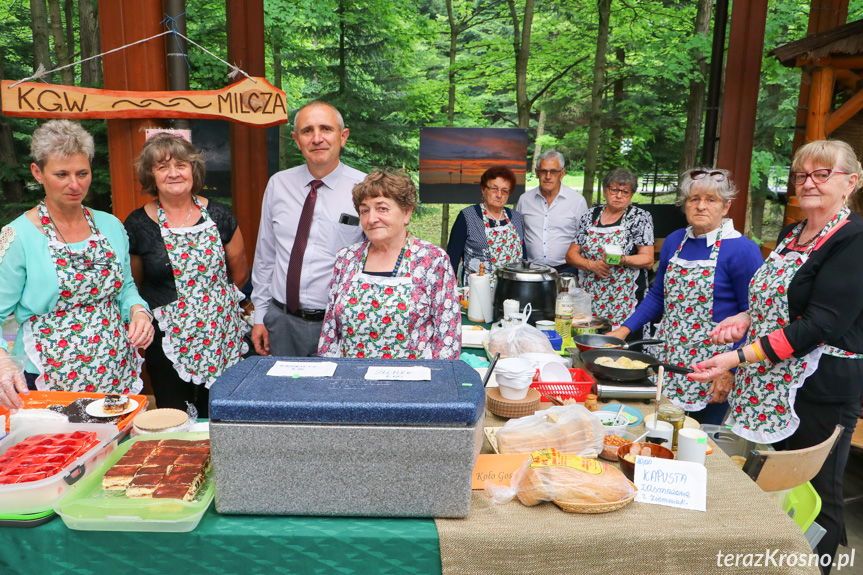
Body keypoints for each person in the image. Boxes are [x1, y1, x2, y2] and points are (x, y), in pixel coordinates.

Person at [690, 141, 863, 570]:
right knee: (761, 485)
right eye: (802, 174)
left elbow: (820, 324)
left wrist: (734, 358)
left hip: (819, 388)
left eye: (822, 174)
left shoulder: (855, 241)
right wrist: (745, 319)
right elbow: (785, 300)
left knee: (814, 492)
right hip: (767, 382)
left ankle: (815, 566)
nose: (808, 182)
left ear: (850, 183)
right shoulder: (793, 232)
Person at [0, 120, 152, 409]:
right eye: (62, 174)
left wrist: (138, 310)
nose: (75, 184)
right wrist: (3, 363)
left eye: (82, 173)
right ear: (38, 172)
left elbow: (126, 287)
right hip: (49, 379)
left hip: (115, 372)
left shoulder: (110, 226)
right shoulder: (19, 237)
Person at [605, 168, 763, 424]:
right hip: (669, 357)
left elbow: (754, 315)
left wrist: (730, 370)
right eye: (694, 199)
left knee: (698, 439)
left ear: (726, 206)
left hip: (714, 364)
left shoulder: (742, 249)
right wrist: (622, 331)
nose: (701, 206)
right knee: (662, 427)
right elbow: (658, 296)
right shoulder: (675, 241)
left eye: (710, 200)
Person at [124, 133, 249, 416]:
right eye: (162, 167)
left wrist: (206, 310)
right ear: (150, 175)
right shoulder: (137, 224)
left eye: (180, 165)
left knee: (219, 413)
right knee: (174, 416)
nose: (173, 173)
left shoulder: (221, 216)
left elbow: (239, 274)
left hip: (220, 336)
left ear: (193, 169)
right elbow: (134, 284)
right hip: (167, 340)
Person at [251, 102, 365, 357]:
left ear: (343, 136)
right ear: (296, 139)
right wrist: (260, 314)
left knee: (336, 396)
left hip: (339, 325)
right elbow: (266, 256)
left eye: (326, 129)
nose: (317, 138)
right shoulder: (278, 185)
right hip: (282, 322)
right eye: (307, 131)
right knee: (283, 394)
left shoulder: (364, 189)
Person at [319, 169, 460, 359]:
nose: (371, 218)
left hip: (411, 383)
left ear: (406, 213)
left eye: (382, 208)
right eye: (364, 210)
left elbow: (448, 338)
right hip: (351, 381)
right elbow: (329, 333)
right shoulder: (347, 259)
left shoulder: (432, 260)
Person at [566, 168, 655, 329]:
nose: (619, 195)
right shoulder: (590, 216)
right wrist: (591, 265)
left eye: (625, 192)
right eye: (614, 190)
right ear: (605, 190)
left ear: (632, 194)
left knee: (622, 347)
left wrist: (623, 260)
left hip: (625, 299)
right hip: (590, 296)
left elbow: (648, 259)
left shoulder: (639, 217)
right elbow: (571, 255)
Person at [446, 166, 525, 286]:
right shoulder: (467, 216)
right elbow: (452, 257)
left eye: (504, 191)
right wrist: (450, 288)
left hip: (512, 290)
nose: (499, 195)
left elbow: (524, 256)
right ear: (483, 189)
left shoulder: (517, 218)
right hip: (477, 291)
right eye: (494, 189)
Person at [516, 150, 587, 271]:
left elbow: (584, 238)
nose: (548, 176)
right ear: (537, 172)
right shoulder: (524, 200)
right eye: (543, 171)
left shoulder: (577, 201)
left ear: (562, 173)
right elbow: (517, 235)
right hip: (532, 271)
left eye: (553, 171)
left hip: (566, 270)